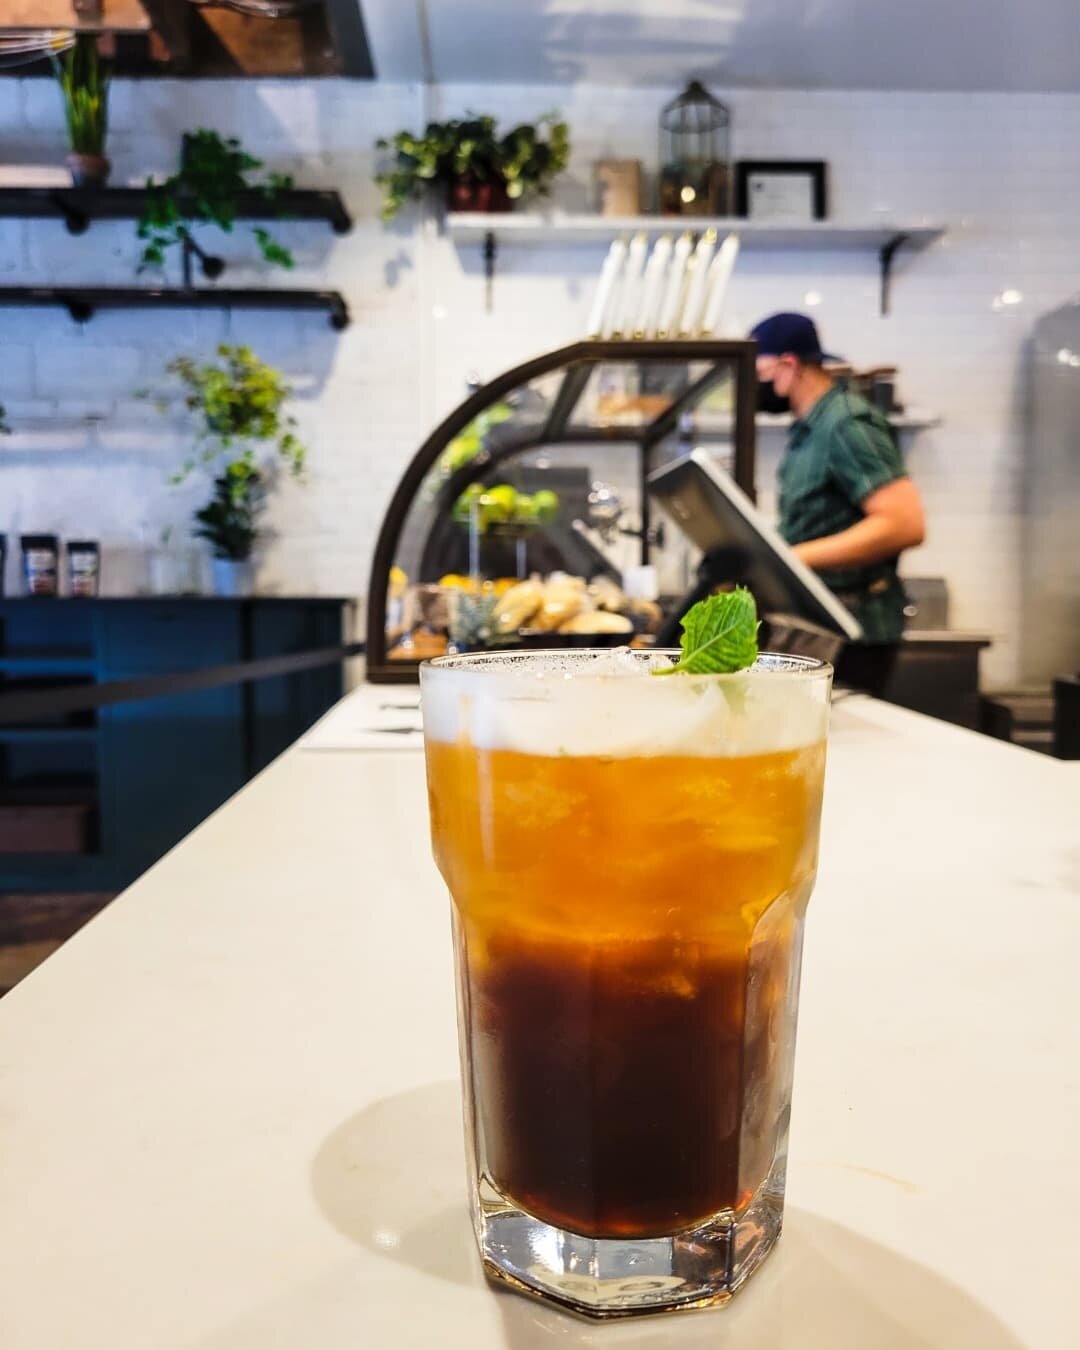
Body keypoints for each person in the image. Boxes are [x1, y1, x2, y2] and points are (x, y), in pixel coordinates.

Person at [749, 311, 926, 694]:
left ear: (789, 364)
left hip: (854, 630)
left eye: (759, 370)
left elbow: (904, 523)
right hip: (819, 623)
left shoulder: (846, 424)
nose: (755, 383)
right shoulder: (808, 429)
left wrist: (789, 560)